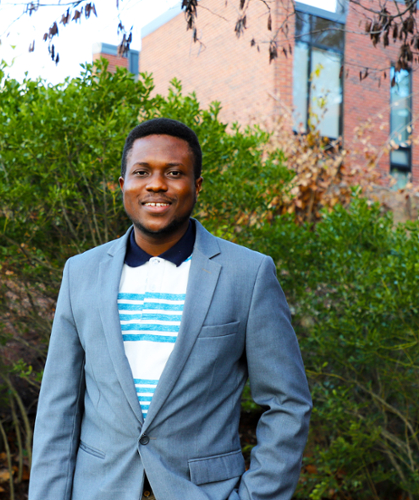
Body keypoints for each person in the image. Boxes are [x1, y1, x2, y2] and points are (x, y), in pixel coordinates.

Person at [28, 118, 312, 500]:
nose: (157, 184)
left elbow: (287, 403)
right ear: (123, 185)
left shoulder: (248, 274)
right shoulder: (81, 273)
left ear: (196, 186)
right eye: (142, 172)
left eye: (174, 173)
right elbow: (56, 409)